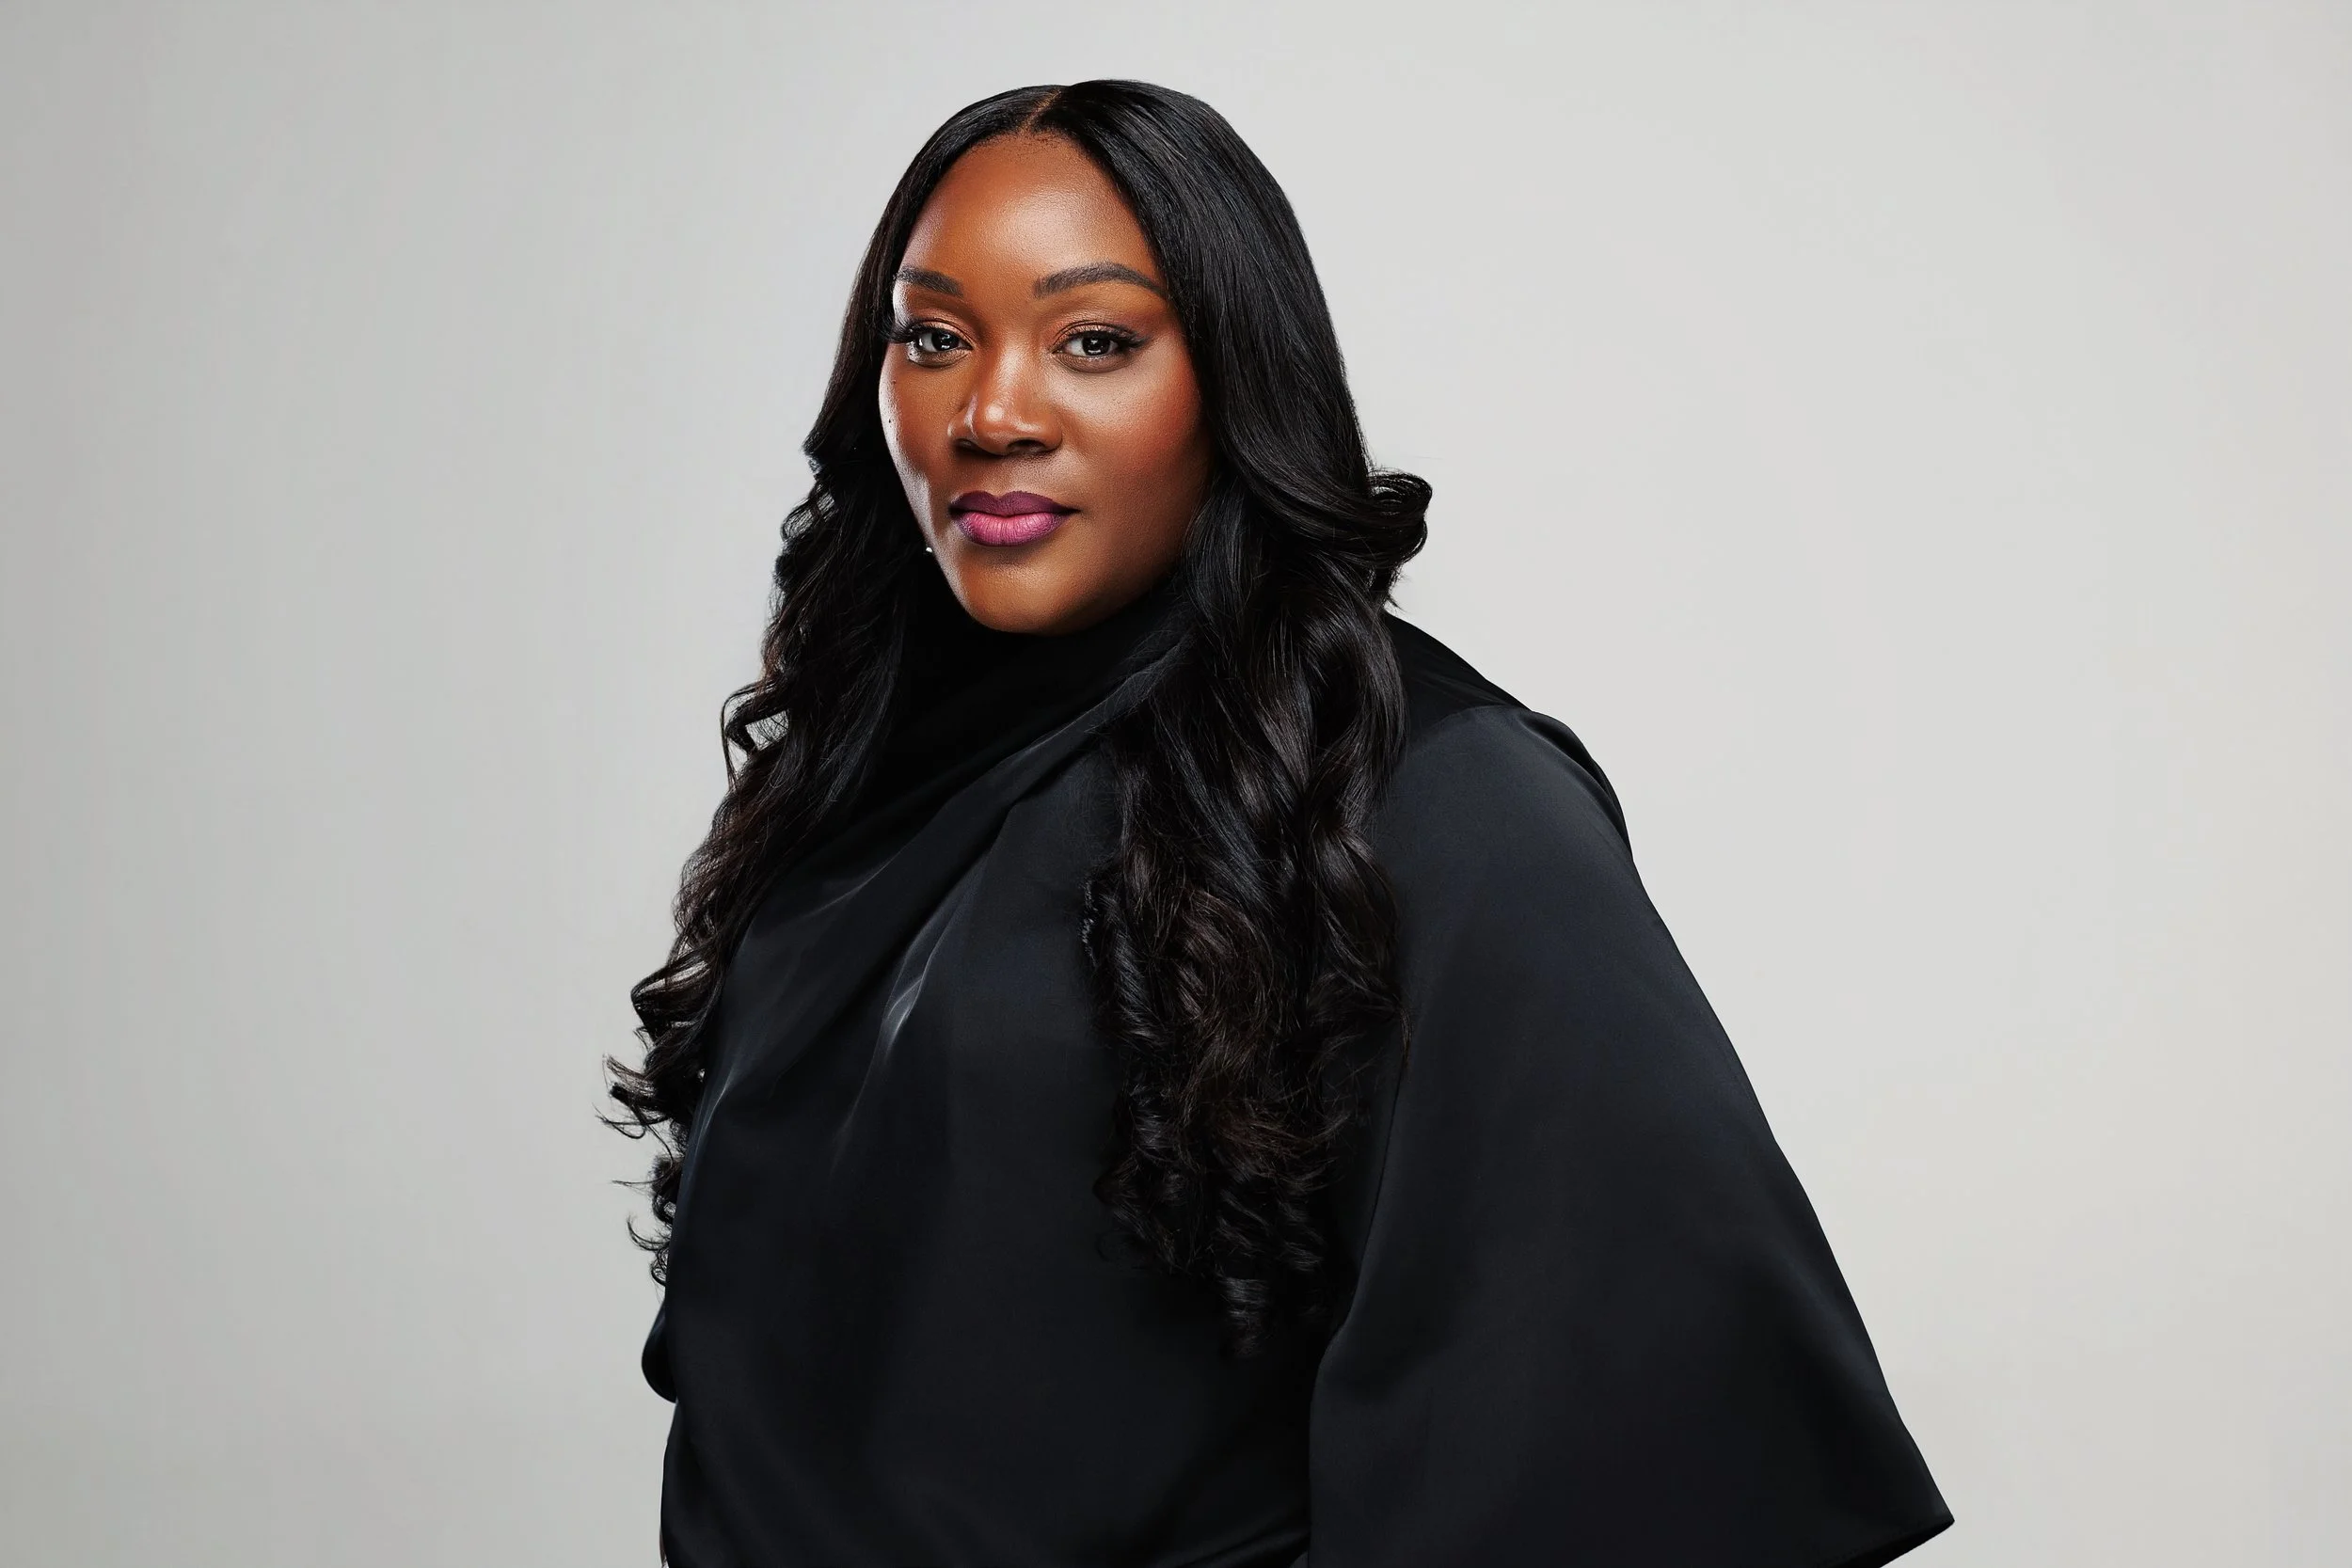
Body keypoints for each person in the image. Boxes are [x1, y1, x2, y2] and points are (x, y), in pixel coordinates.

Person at [610, 79, 1952, 1568]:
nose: (991, 413)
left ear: (1235, 377)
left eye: (1095, 342)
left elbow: (1641, 1437)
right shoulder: (864, 771)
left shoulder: (1440, 796)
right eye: (933, 337)